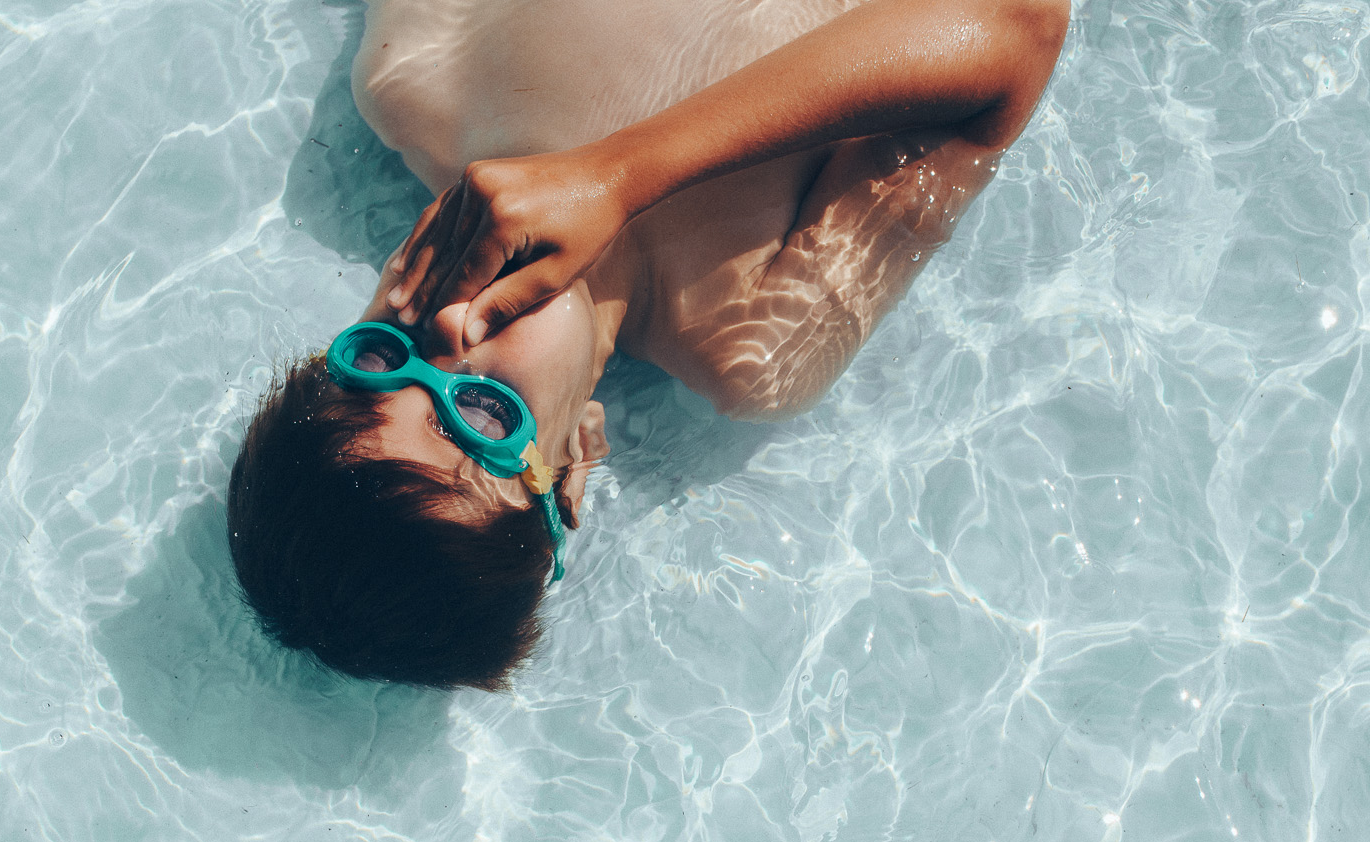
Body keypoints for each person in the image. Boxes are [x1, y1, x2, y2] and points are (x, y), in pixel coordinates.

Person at [228, 0, 1068, 690]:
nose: (448, 328)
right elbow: (1016, 34)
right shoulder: (757, 333)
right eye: (482, 412)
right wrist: (619, 177)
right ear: (573, 467)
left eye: (379, 358)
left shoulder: (412, 80)